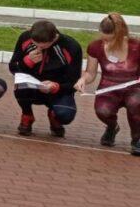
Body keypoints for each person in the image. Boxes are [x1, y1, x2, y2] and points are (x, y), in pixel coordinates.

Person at [75, 14, 140, 155]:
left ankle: (137, 139)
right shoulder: (95, 47)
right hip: (108, 87)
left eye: (110, 39)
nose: (106, 42)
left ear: (121, 34)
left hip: (134, 87)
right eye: (104, 38)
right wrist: (83, 80)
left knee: (136, 104)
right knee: (102, 111)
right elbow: (90, 73)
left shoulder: (136, 46)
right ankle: (112, 127)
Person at [9, 20, 82, 137]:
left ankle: (54, 116)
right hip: (32, 87)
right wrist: (27, 61)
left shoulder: (71, 46)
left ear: (53, 39)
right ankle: (27, 115)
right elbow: (13, 67)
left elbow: (74, 81)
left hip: (58, 89)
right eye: (35, 44)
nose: (38, 48)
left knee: (66, 115)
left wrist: (56, 87)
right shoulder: (25, 38)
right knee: (20, 85)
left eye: (42, 46)